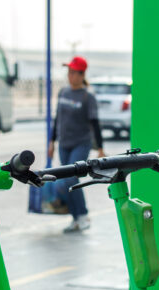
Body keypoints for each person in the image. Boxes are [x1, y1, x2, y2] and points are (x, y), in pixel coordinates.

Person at [48, 55, 105, 233]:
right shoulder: (63, 92)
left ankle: (83, 215)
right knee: (66, 181)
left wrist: (101, 148)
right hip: (64, 144)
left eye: (73, 72)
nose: (70, 76)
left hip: (81, 144)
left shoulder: (88, 97)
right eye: (69, 72)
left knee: (71, 179)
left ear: (82, 75)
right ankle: (75, 218)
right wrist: (51, 142)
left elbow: (95, 124)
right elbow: (57, 119)